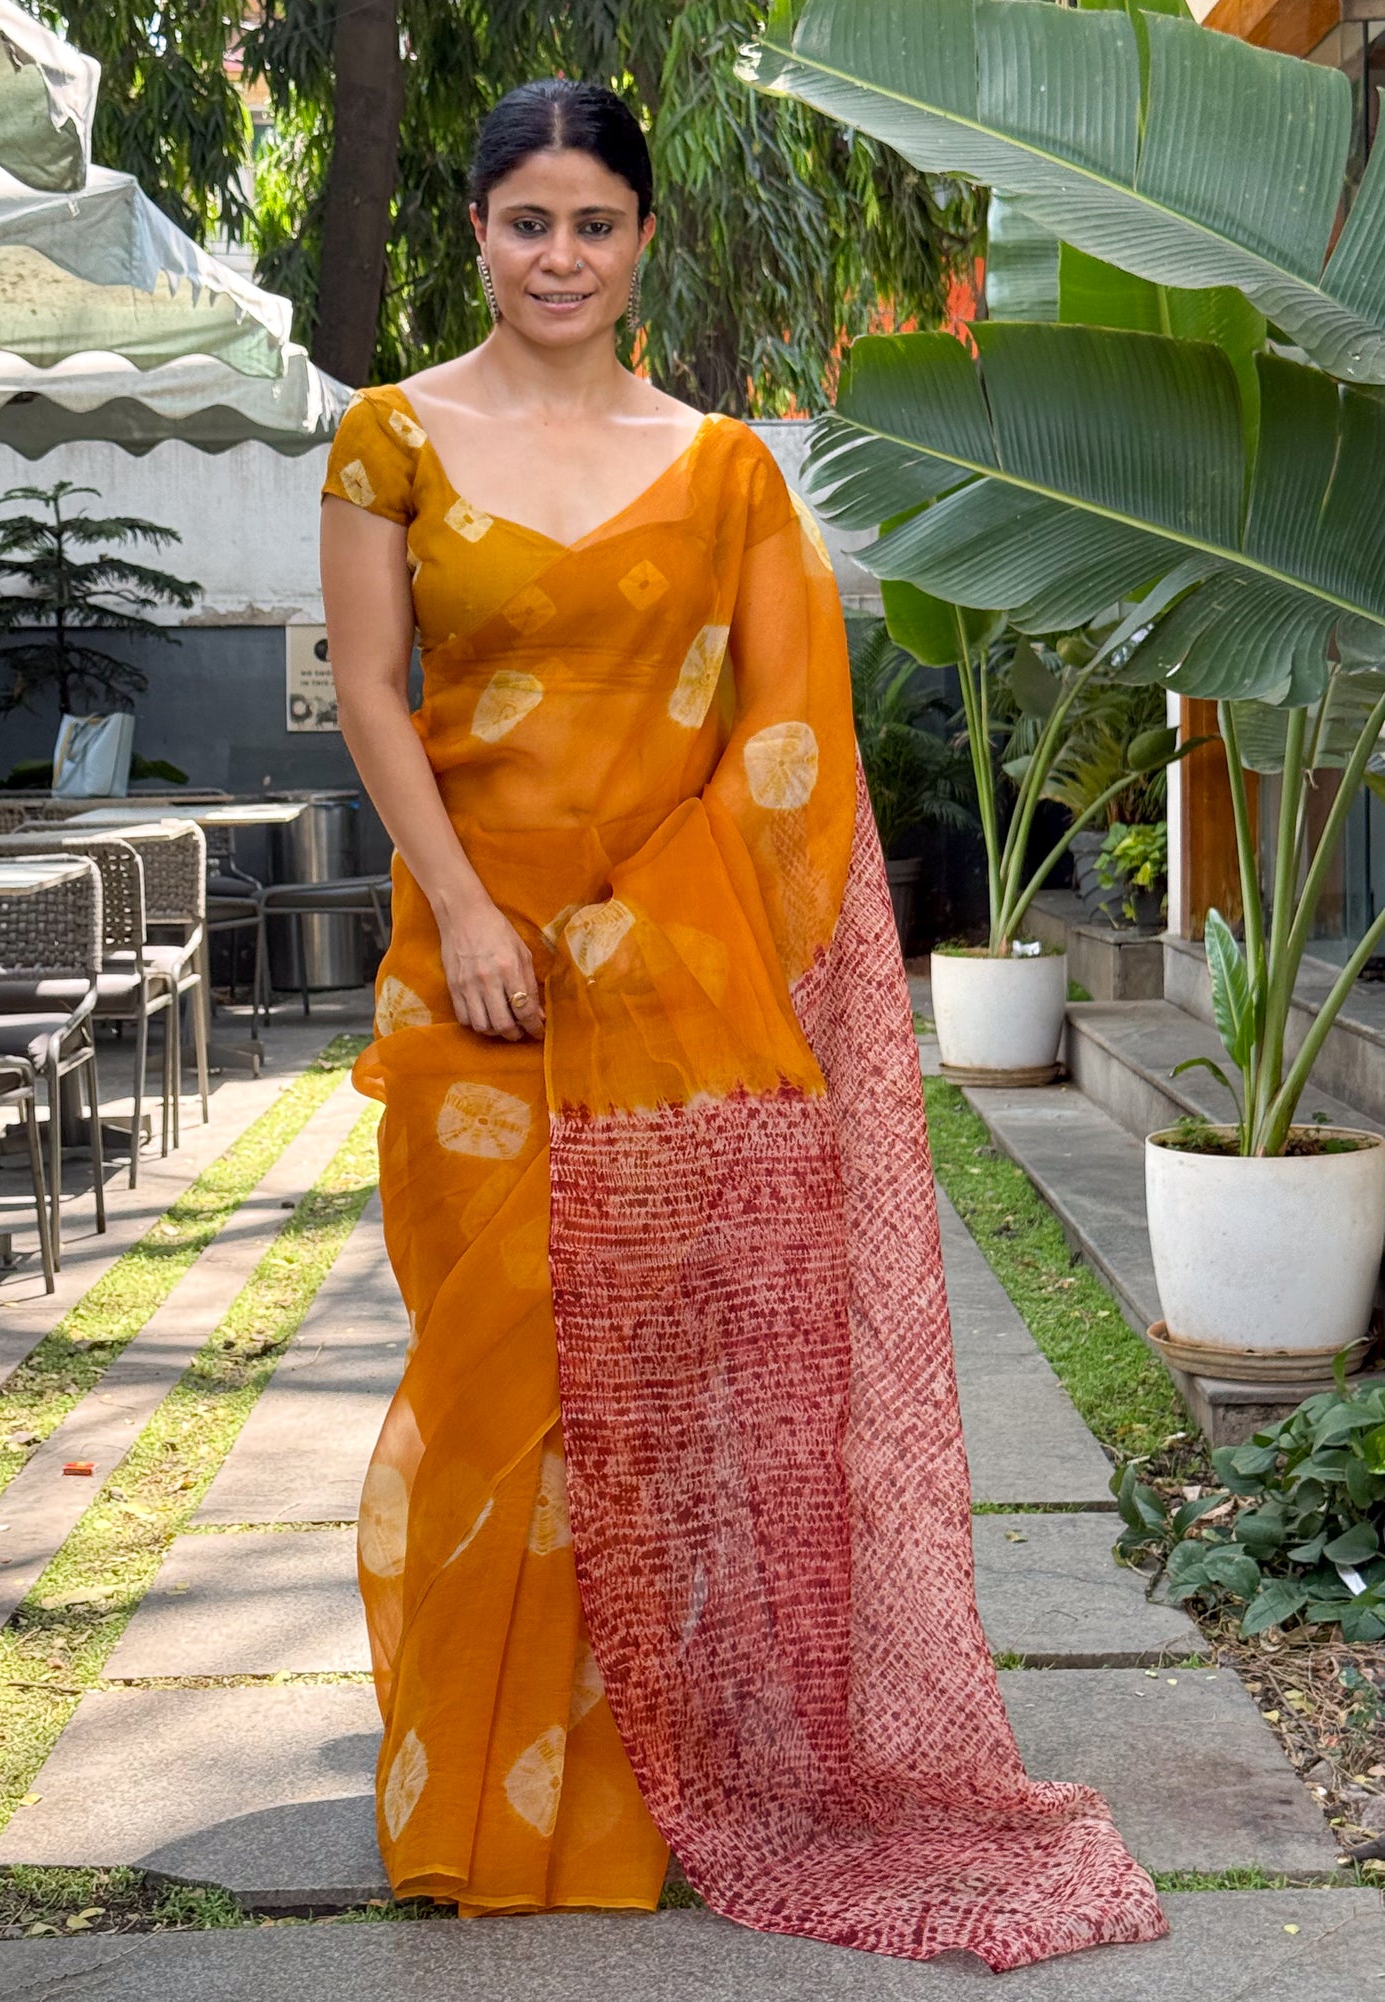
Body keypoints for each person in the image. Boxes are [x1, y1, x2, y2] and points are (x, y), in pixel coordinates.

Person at [318, 75, 1169, 1973]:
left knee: (654, 1394)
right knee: (493, 1377)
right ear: (475, 230)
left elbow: (789, 753)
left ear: (640, 240)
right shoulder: (389, 440)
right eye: (526, 219)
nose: (559, 255)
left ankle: (646, 1785)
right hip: (469, 985)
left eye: (593, 223)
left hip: (675, 985)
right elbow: (373, 690)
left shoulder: (724, 472)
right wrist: (470, 912)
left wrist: (640, 941)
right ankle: (471, 1792)